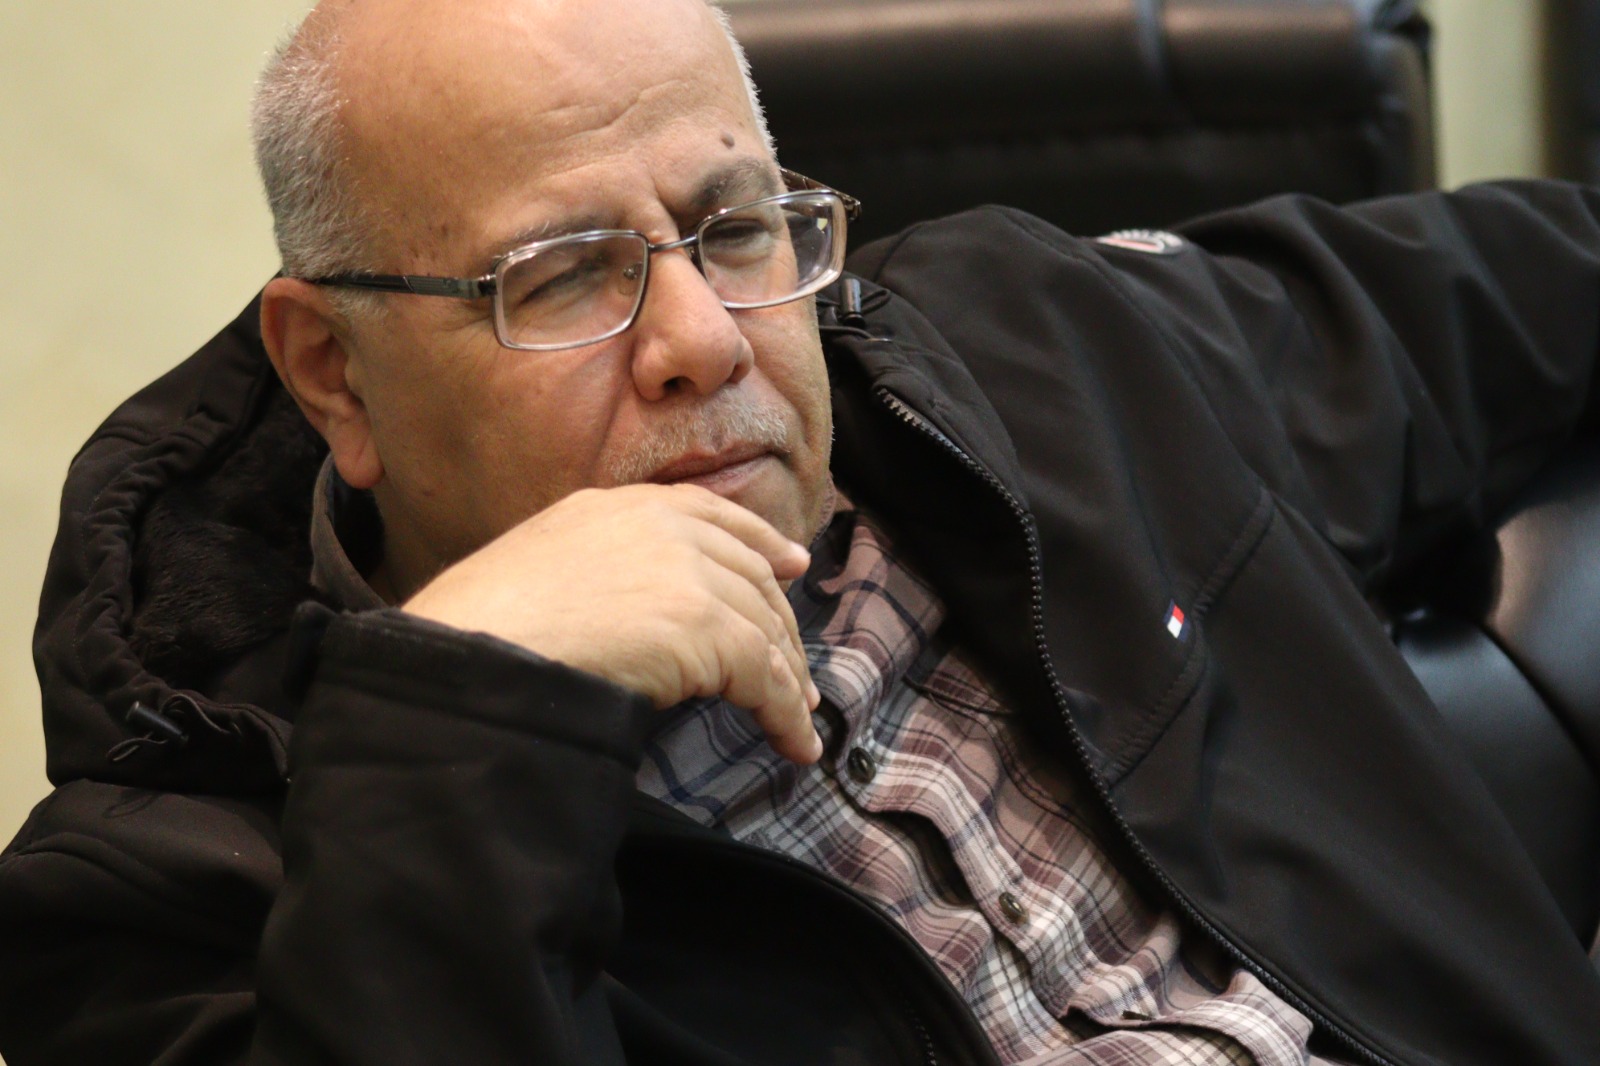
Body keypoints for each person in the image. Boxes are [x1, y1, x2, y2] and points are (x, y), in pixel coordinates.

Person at [1, 0, 1598, 1063]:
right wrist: (470, 715)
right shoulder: (156, 902)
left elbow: (1540, 282)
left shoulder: (1036, 355)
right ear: (334, 374)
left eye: (736, 226)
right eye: (563, 274)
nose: (703, 339)